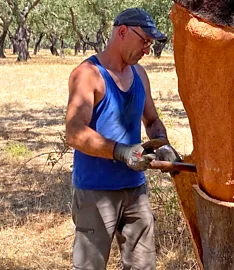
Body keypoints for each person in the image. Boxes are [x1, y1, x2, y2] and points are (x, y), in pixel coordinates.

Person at [65, 8, 179, 270]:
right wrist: (122, 152)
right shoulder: (88, 74)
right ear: (123, 32)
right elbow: (74, 132)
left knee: (143, 266)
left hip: (135, 190)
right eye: (144, 41)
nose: (147, 50)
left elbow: (151, 121)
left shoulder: (139, 75)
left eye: (150, 44)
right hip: (96, 191)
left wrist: (162, 144)